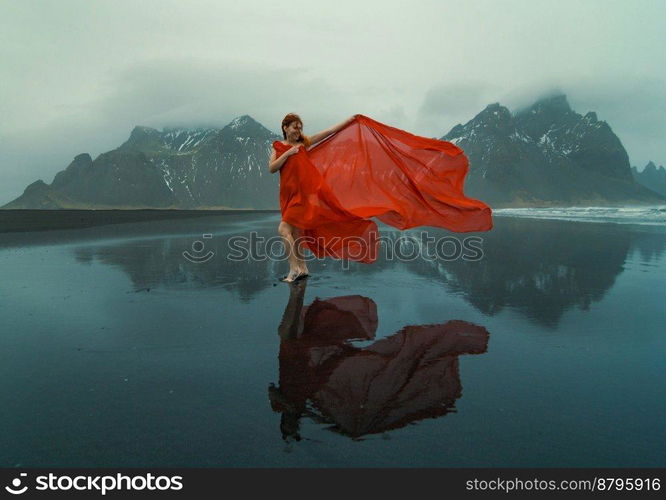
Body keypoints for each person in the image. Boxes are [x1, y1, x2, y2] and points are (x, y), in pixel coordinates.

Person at [268, 112, 493, 283]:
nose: (298, 131)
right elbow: (272, 168)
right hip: (287, 195)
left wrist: (350, 121)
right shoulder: (279, 147)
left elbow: (328, 133)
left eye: (300, 128)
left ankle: (293, 269)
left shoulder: (305, 144)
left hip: (305, 197)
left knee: (284, 230)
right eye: (294, 128)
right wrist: (289, 153)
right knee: (297, 231)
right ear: (285, 128)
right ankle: (303, 268)